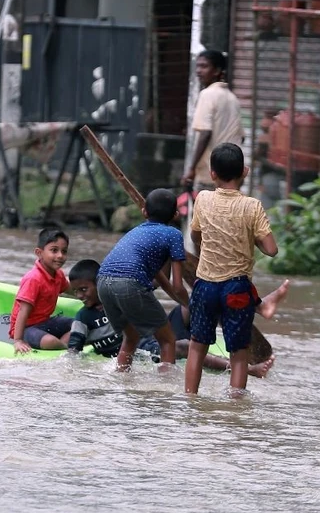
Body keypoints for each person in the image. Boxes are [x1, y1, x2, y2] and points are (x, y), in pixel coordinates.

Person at [68, 258, 288, 379]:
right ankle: (246, 369)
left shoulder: (120, 299)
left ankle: (238, 333)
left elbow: (152, 288)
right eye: (76, 292)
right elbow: (72, 349)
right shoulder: (83, 316)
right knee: (185, 346)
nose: (80, 296)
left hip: (157, 336)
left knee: (193, 305)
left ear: (101, 283)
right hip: (149, 350)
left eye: (84, 289)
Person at [185, 142, 279, 395]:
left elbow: (195, 236)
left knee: (197, 347)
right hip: (237, 289)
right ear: (244, 172)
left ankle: (190, 399)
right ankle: (234, 411)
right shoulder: (252, 206)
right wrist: (252, 238)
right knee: (239, 353)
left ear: (212, 173)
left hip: (204, 286)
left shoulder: (203, 199)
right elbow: (271, 249)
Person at [97, 188, 188, 371]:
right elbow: (178, 286)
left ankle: (122, 377)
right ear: (176, 215)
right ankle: (165, 389)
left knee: (130, 336)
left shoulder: (136, 232)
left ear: (144, 212)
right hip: (129, 283)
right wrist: (190, 305)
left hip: (102, 281)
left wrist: (180, 300)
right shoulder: (174, 235)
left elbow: (160, 280)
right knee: (168, 339)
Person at [181, 49, 245, 194]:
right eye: (198, 66)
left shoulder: (207, 95)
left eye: (204, 66)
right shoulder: (232, 98)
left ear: (216, 71)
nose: (198, 71)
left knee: (206, 215)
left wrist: (191, 169)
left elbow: (205, 133)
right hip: (233, 177)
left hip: (211, 176)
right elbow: (241, 137)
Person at [10, 228, 74, 354]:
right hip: (27, 328)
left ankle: (62, 344)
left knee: (80, 325)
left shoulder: (58, 275)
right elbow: (23, 311)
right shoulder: (33, 279)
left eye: (64, 251)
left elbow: (71, 289)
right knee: (50, 342)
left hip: (45, 322)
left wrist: (92, 293)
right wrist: (18, 340)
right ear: (39, 253)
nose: (60, 256)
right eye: (54, 250)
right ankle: (66, 347)